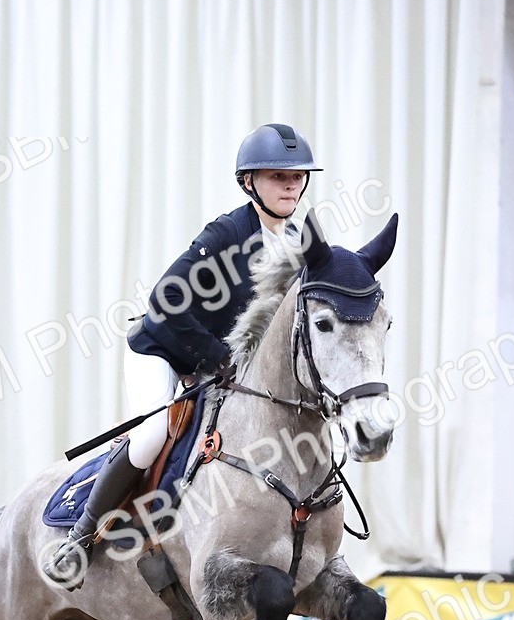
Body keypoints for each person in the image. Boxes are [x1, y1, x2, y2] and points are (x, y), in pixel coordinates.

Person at [51, 123, 322, 586]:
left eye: (297, 176)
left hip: (225, 370)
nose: (290, 185)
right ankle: (79, 538)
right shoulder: (227, 233)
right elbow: (165, 301)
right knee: (152, 435)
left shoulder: (298, 243)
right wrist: (217, 358)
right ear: (248, 182)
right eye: (278, 176)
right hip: (164, 350)